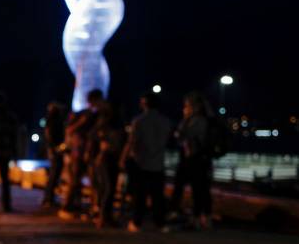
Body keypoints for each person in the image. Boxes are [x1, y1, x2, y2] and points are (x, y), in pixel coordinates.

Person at [123, 92, 172, 232]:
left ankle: (137, 222)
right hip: (158, 163)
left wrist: (124, 158)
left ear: (144, 104)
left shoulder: (139, 121)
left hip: (141, 163)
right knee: (158, 196)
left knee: (140, 195)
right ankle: (160, 223)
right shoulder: (165, 121)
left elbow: (132, 142)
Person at [169, 91, 214, 229]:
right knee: (200, 189)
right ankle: (202, 218)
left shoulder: (197, 121)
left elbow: (181, 135)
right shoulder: (204, 119)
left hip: (194, 158)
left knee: (196, 188)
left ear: (194, 106)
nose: (185, 108)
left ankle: (196, 218)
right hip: (199, 159)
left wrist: (183, 123)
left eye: (187, 105)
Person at [59, 88, 103, 220]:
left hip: (89, 152)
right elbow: (70, 130)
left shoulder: (98, 115)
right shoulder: (84, 114)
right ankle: (68, 207)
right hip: (80, 152)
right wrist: (81, 123)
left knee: (93, 182)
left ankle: (92, 208)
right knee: (76, 180)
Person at [90, 102, 126, 228]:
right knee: (108, 188)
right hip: (106, 157)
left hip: (108, 157)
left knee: (106, 187)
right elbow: (96, 136)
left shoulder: (106, 123)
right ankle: (103, 217)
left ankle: (104, 215)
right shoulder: (109, 123)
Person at [42, 101, 66, 208]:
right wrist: (54, 149)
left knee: (54, 174)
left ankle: (49, 198)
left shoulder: (52, 120)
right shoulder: (53, 120)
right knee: (54, 174)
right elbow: (50, 136)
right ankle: (48, 199)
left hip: (54, 150)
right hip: (55, 150)